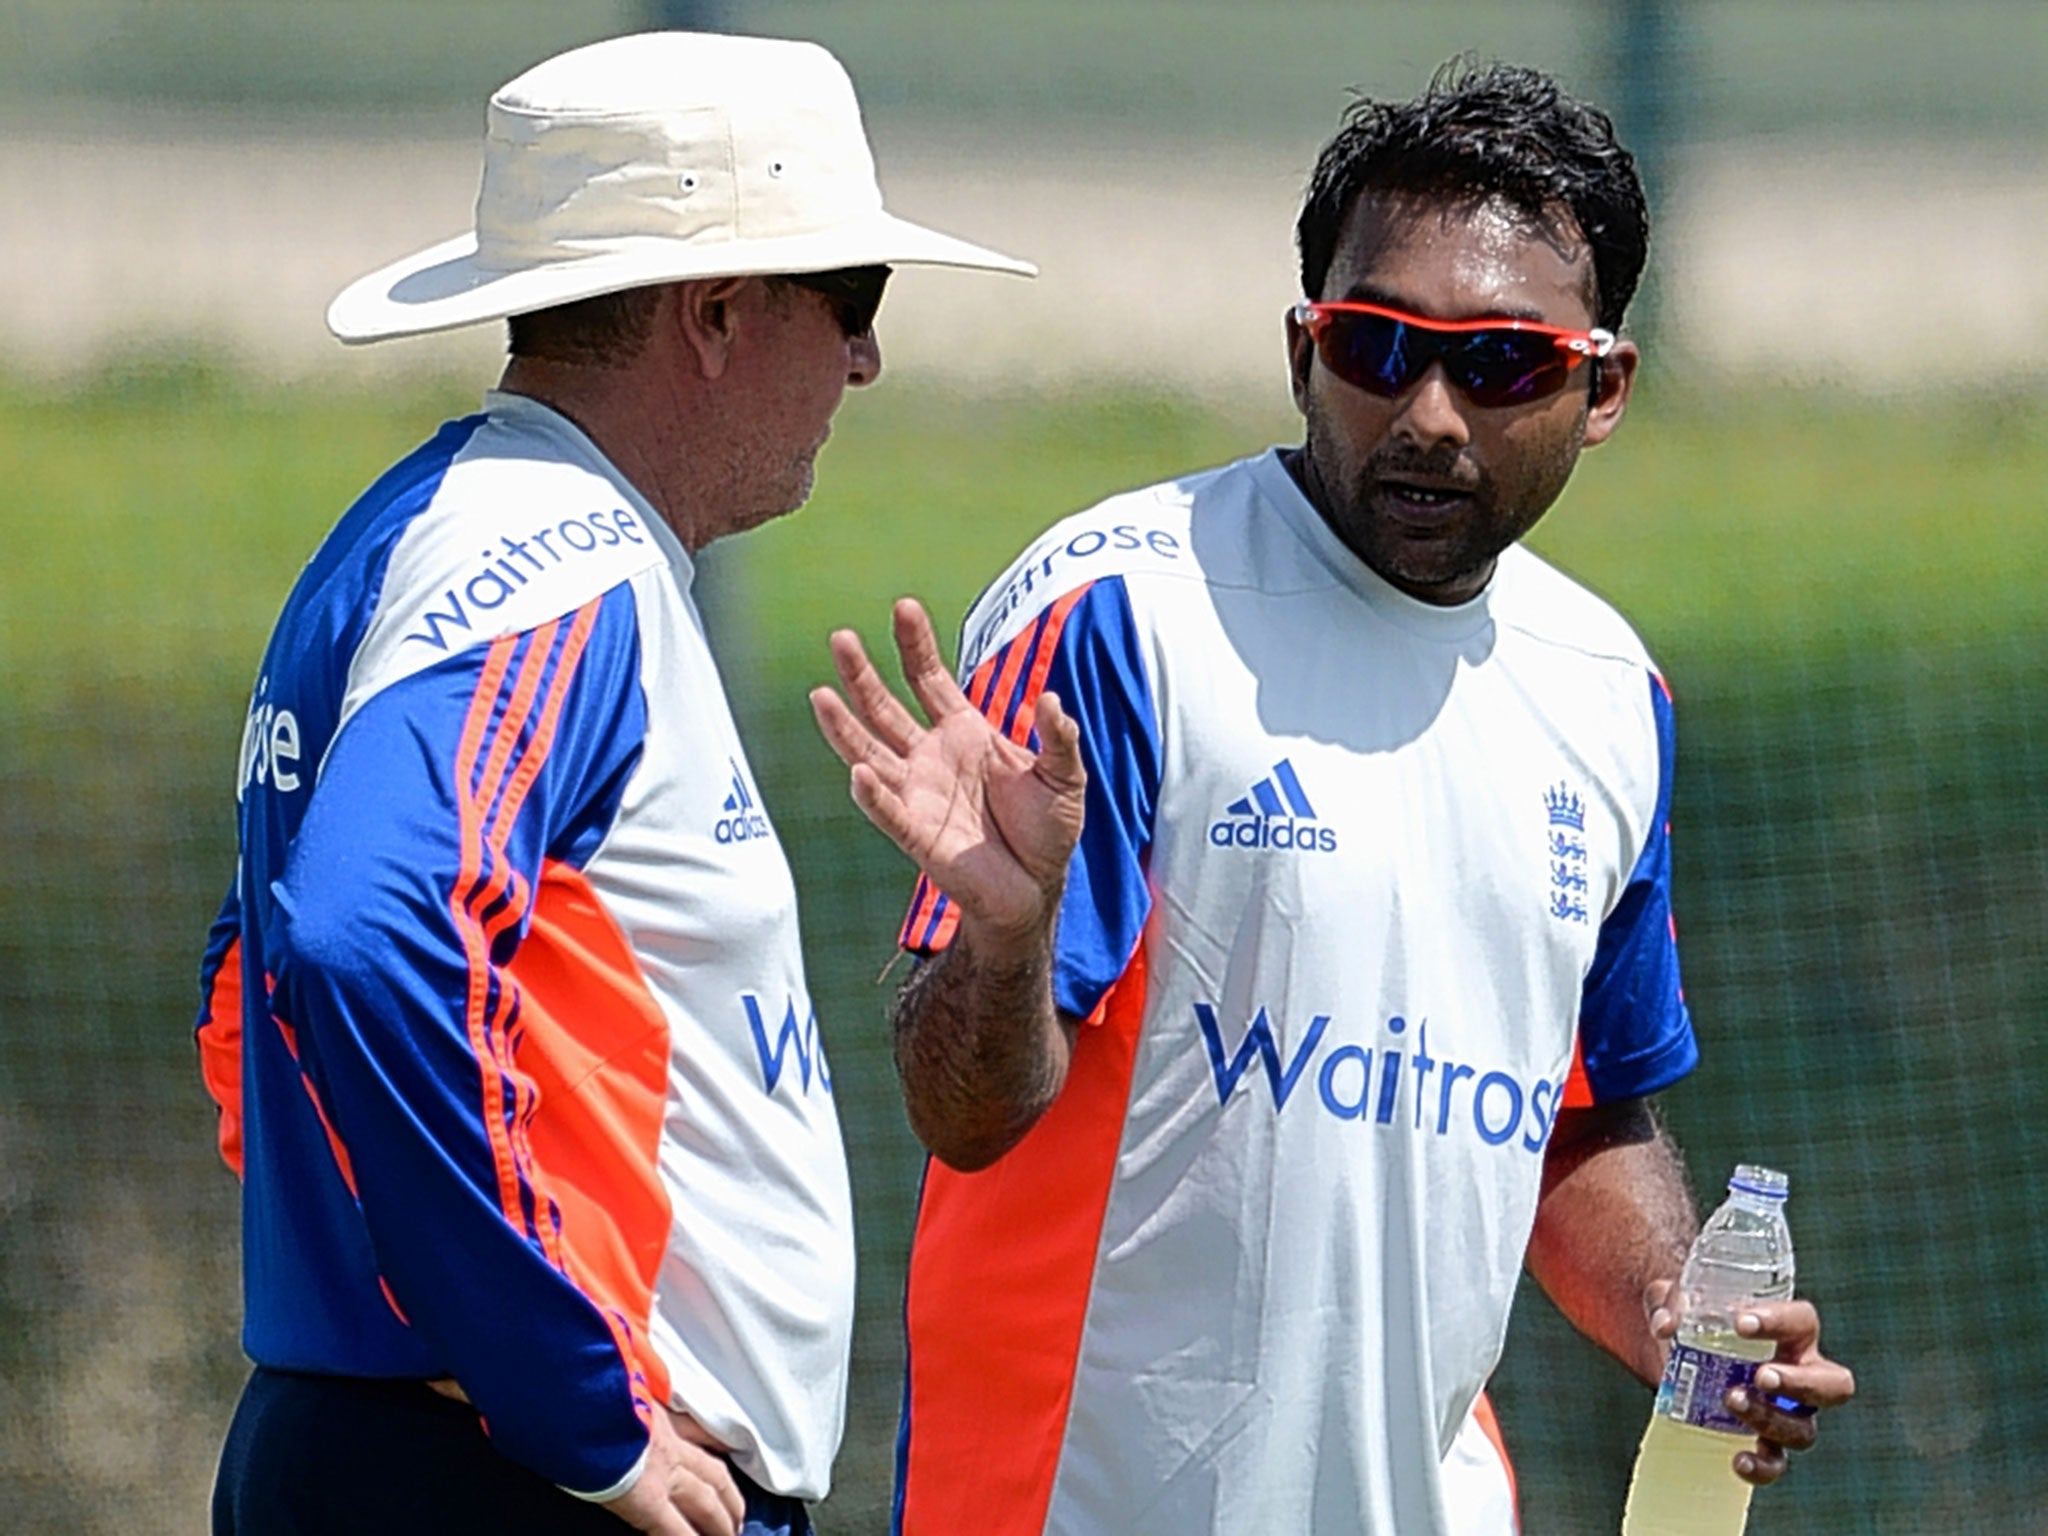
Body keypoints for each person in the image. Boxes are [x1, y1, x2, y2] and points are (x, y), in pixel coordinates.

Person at [811, 60, 1854, 1535]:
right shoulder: (1125, 612)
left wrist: (1684, 1319)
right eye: (1375, 347)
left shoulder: (1610, 693)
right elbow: (968, 1118)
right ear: (1303, 350)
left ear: (1604, 389)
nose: (1428, 414)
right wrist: (1002, 939)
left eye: (1500, 366)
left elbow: (1575, 1122)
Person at [191, 30, 1031, 1536]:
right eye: (852, 296)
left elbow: (245, 988)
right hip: (518, 1479)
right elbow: (361, 937)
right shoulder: (558, 565)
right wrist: (575, 1413)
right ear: (715, 313)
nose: (865, 358)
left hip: (435, 1447)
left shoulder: (432, 531)